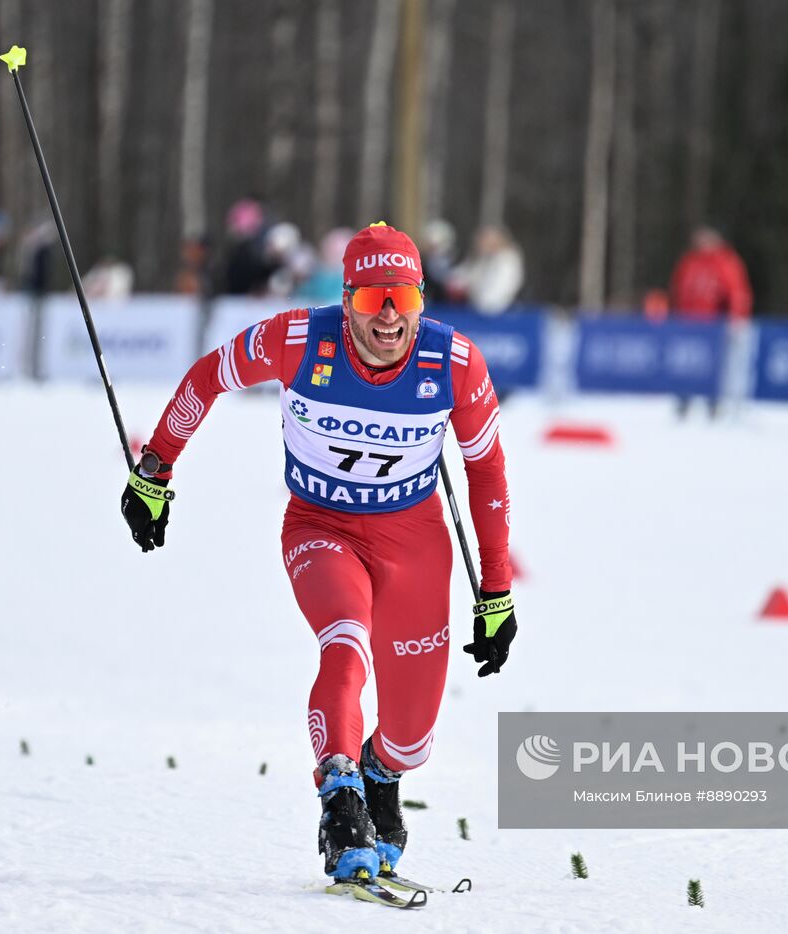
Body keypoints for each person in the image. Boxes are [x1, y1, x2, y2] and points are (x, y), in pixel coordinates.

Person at [120, 223, 517, 886]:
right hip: (320, 526)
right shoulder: (300, 340)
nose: (389, 319)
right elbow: (207, 377)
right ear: (347, 300)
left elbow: (488, 473)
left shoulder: (454, 363)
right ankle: (339, 796)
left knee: (412, 736)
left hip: (415, 543)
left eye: (403, 300)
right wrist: (154, 468)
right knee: (345, 641)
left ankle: (380, 770)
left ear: (421, 298)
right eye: (370, 302)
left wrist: (496, 591)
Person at [668, 225, 753, 320]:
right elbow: (677, 290)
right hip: (687, 320)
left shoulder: (726, 262)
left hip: (714, 322)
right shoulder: (689, 262)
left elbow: (737, 293)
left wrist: (737, 317)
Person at [448, 224, 524, 314]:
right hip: (475, 310)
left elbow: (493, 295)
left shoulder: (506, 260)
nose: (479, 244)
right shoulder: (481, 259)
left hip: (494, 314)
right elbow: (458, 278)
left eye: (484, 240)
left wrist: (470, 292)